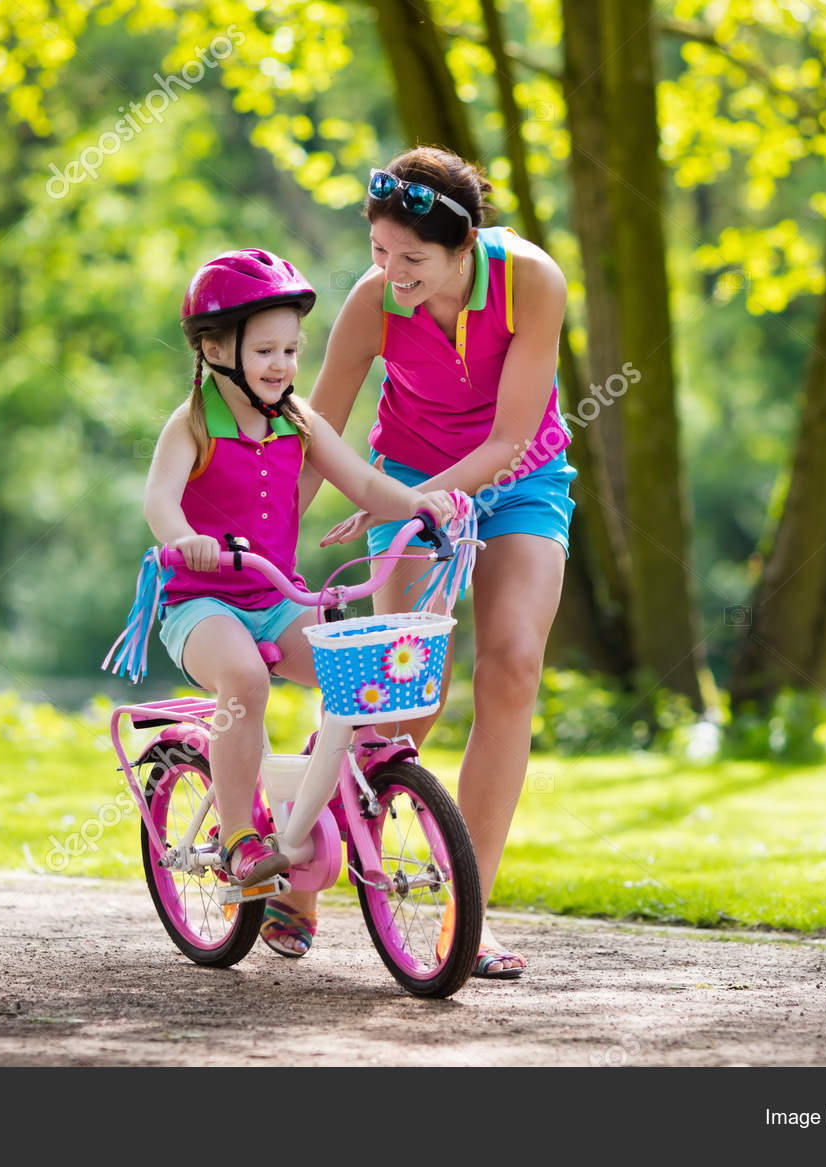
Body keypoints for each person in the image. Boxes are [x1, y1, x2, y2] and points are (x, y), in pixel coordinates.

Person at [267, 147, 576, 979]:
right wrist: (264, 548)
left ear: (464, 243)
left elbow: (511, 438)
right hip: (406, 481)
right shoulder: (374, 304)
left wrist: (421, 499)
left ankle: (464, 914)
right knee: (403, 692)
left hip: (519, 482)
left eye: (412, 259)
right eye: (377, 252)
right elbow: (315, 432)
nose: (390, 273)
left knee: (513, 666)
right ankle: (297, 859)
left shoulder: (532, 281)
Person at [143, 247, 453, 886]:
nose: (282, 365)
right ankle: (238, 842)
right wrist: (185, 539)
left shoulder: (299, 421)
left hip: (275, 598)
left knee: (364, 682)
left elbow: (365, 485)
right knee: (246, 679)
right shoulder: (194, 423)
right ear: (214, 350)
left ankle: (317, 793)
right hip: (200, 603)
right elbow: (159, 500)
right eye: (264, 351)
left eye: (290, 350)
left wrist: (421, 507)